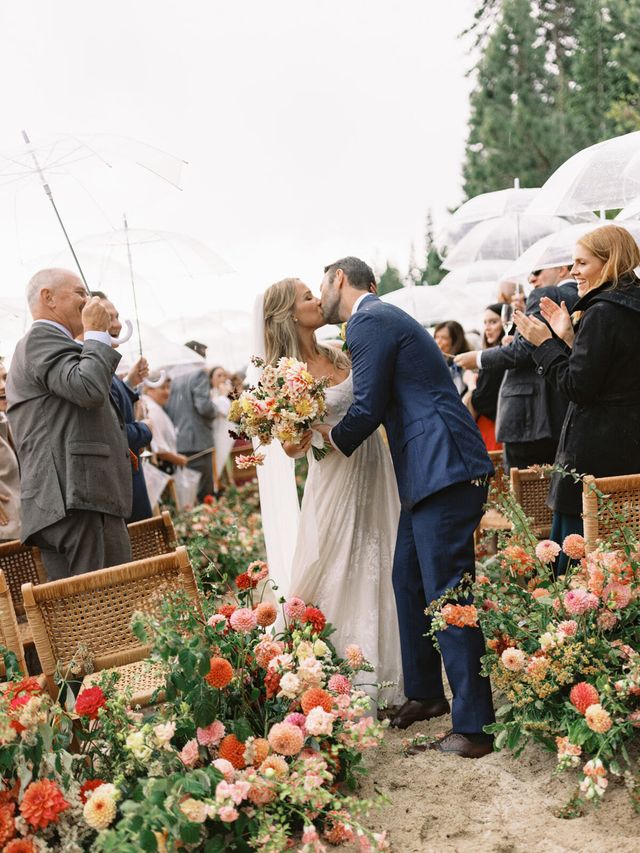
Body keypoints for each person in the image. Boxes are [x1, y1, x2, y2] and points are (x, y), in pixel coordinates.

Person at [317, 256, 495, 759]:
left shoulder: (368, 319)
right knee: (407, 579)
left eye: (320, 284)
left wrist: (323, 440)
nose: (321, 295)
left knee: (449, 593)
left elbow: (368, 404)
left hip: (444, 467)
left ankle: (476, 728)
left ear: (337, 279)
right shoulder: (378, 319)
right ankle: (425, 693)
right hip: (427, 471)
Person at [256, 276, 404, 706]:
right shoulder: (281, 374)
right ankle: (330, 666)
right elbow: (286, 444)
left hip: (374, 462)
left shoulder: (342, 352)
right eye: (307, 297)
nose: (317, 299)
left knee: (383, 551)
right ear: (289, 314)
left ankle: (396, 664)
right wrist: (294, 437)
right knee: (336, 559)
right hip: (333, 473)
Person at [514, 225, 640, 559]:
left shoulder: (602, 312)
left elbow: (577, 387)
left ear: (609, 261)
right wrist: (569, 340)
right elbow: (611, 376)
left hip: (593, 461)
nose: (573, 271)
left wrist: (544, 345)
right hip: (629, 454)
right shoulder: (628, 308)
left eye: (582, 263)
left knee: (582, 576)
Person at [6, 269, 132, 579]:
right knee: (108, 603)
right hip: (77, 499)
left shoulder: (50, 342)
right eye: (79, 292)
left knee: (77, 614)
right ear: (47, 297)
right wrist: (98, 336)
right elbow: (86, 388)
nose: (88, 300)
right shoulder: (41, 337)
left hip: (69, 500)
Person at [455, 264, 577, 472]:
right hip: (564, 410)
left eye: (537, 271)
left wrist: (478, 358)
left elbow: (524, 350)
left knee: (524, 495)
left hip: (531, 418)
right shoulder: (583, 296)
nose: (531, 279)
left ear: (562, 269)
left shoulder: (546, 294)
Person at [90, 291, 153, 522]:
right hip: (121, 487)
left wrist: (131, 381)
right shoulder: (93, 366)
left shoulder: (108, 366)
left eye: (117, 317)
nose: (116, 324)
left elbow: (117, 402)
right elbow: (115, 432)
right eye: (108, 318)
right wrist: (146, 429)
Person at [165, 341, 217, 502]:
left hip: (179, 440)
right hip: (198, 440)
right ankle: (208, 523)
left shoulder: (172, 375)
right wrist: (218, 409)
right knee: (204, 492)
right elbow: (204, 407)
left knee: (188, 491)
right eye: (203, 354)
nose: (205, 359)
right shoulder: (198, 374)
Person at [463, 304, 505, 451]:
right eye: (485, 323)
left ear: (505, 322)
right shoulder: (494, 355)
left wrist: (471, 384)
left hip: (493, 431)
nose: (487, 328)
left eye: (493, 322)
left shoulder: (495, 358)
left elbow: (480, 400)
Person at [143, 376, 189, 473]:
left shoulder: (152, 406)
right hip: (161, 468)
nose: (167, 392)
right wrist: (178, 459)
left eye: (168, 388)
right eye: (162, 388)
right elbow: (158, 448)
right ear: (149, 389)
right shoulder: (153, 409)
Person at [0, 359, 21, 541]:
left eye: (4, 378)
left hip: (24, 532)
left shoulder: (8, 421)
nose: (2, 386)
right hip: (6, 537)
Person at [209, 366, 234, 480]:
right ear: (211, 379)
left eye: (224, 375)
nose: (222, 378)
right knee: (217, 464)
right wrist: (224, 395)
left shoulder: (228, 394)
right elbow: (222, 411)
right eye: (219, 375)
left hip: (227, 434)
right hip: (215, 434)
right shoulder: (209, 394)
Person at [433, 320, 470, 395]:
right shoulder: (440, 361)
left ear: (456, 340)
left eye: (444, 338)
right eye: (436, 337)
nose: (437, 341)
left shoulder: (462, 364)